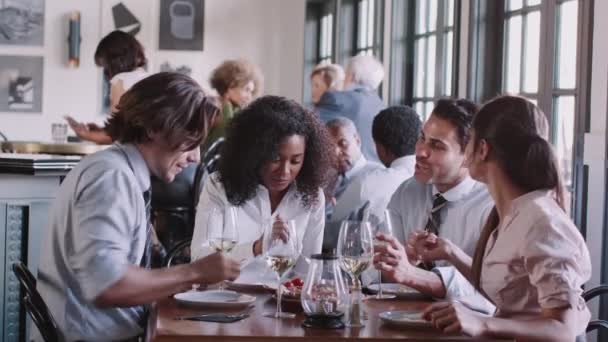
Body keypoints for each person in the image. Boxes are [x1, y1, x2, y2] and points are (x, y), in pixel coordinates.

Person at [35, 73, 241, 341]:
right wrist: (195, 272)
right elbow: (108, 285)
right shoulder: (111, 178)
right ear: (154, 127)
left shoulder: (123, 173)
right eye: (191, 140)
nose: (195, 157)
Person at [414, 96, 591, 340]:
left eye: (470, 142)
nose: (465, 153)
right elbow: (509, 293)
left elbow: (564, 330)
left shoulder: (541, 221)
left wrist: (483, 323)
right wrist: (450, 253)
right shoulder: (509, 211)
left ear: (483, 149)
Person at [191, 95, 333, 279]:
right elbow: (199, 259)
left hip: (281, 304)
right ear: (253, 152)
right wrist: (255, 247)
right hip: (227, 300)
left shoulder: (311, 196)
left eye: (295, 160)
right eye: (275, 158)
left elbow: (308, 273)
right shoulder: (219, 187)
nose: (285, 171)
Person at [371, 99, 494, 310]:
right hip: (404, 321)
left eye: (437, 146)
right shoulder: (407, 191)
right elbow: (376, 272)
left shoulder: (490, 205)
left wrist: (413, 274)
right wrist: (405, 259)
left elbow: (493, 291)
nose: (420, 152)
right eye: (422, 138)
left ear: (468, 156)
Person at [331, 105, 421, 223]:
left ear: (380, 148)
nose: (336, 152)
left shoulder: (366, 183)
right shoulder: (435, 183)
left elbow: (335, 227)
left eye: (343, 143)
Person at [65, 30, 149, 144]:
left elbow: (114, 136)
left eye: (105, 65)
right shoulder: (145, 77)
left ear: (113, 61)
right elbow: (128, 128)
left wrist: (85, 135)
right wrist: (102, 130)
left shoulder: (121, 80)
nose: (105, 72)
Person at [323, 116, 382, 251]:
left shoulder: (375, 175)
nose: (336, 152)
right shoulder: (327, 180)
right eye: (329, 148)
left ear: (357, 140)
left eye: (343, 144)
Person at [316, 55, 385, 163]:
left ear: (352, 76)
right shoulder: (381, 105)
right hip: (375, 170)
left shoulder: (336, 99)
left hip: (345, 171)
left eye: (346, 73)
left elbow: (312, 129)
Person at [201, 58, 264, 153]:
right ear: (231, 86)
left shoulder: (238, 110)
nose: (249, 96)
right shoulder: (211, 105)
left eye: (251, 92)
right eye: (246, 90)